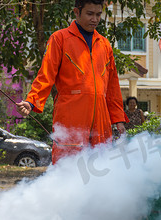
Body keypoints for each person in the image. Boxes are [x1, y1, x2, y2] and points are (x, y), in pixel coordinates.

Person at [16, 0, 126, 164]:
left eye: (98, 14)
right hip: (70, 115)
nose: (94, 19)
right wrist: (31, 101)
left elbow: (112, 86)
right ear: (76, 12)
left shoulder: (105, 44)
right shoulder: (60, 38)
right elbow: (46, 74)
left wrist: (118, 119)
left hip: (101, 117)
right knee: (67, 166)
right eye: (90, 14)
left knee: (102, 165)